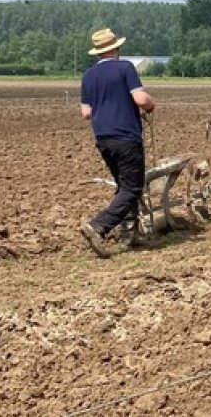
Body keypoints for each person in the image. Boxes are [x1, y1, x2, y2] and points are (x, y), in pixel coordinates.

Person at [78, 28, 156, 258]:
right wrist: (150, 106)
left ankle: (129, 234)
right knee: (133, 187)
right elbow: (141, 99)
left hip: (103, 138)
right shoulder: (125, 68)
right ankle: (98, 226)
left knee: (124, 186)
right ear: (116, 48)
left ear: (98, 53)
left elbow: (86, 112)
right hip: (126, 136)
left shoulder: (88, 75)